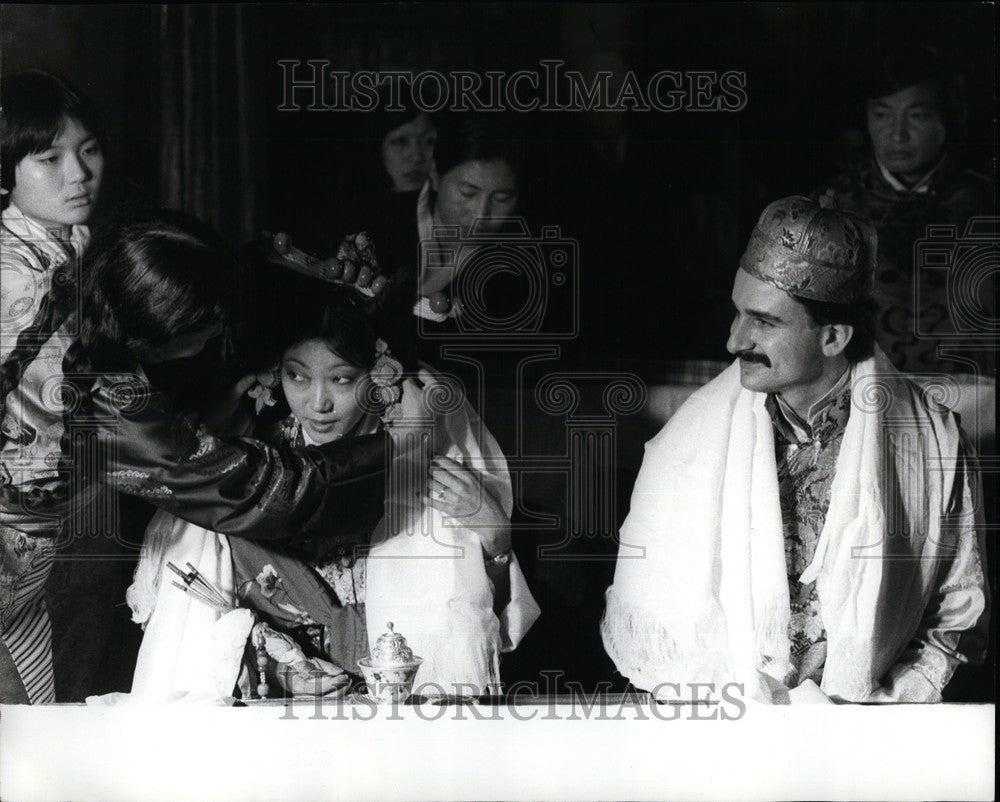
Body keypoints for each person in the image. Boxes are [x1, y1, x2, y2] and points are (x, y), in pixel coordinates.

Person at [0, 209, 403, 704]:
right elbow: (261, 491)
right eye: (209, 330)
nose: (214, 340)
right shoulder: (105, 400)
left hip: (26, 576)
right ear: (167, 327)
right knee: (18, 744)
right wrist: (399, 449)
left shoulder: (53, 279)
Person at [600, 196, 989, 704]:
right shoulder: (691, 438)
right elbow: (652, 613)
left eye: (763, 322)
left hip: (873, 723)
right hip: (724, 716)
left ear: (833, 336)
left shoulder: (932, 443)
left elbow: (955, 612)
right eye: (738, 314)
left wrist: (878, 706)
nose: (734, 340)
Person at [127, 265, 539, 700]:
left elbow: (489, 627)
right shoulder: (253, 471)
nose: (318, 403)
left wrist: (497, 538)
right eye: (297, 376)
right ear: (273, 373)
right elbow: (216, 620)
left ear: (381, 376)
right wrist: (288, 671)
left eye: (342, 379)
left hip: (415, 702)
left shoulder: (426, 460)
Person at [813, 46, 995, 374]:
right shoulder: (829, 208)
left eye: (917, 115)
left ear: (950, 116)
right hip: (863, 397)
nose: (897, 134)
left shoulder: (986, 204)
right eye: (882, 115)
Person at [1, 70, 104, 364]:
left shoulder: (80, 237)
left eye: (89, 150)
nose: (80, 174)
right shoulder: (13, 278)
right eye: (50, 158)